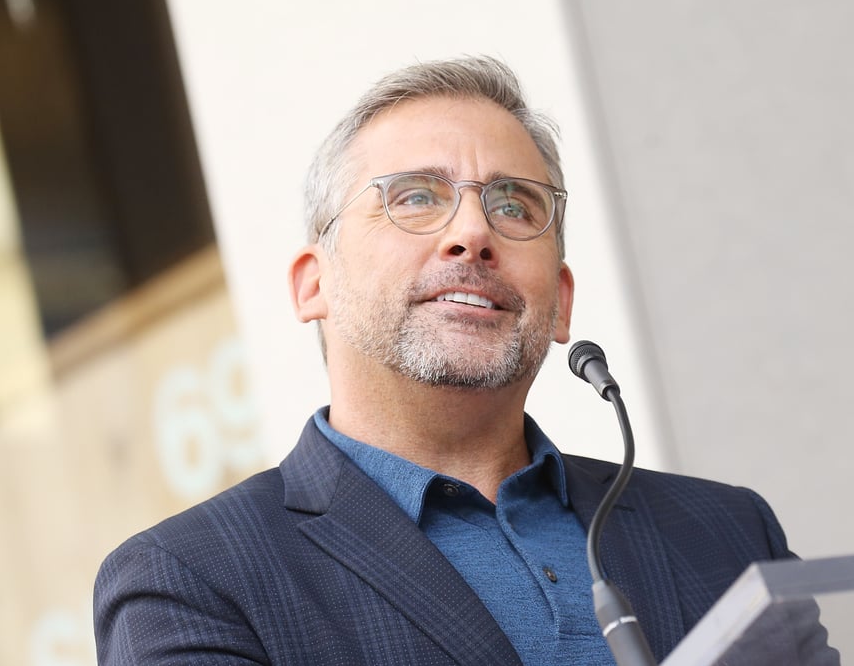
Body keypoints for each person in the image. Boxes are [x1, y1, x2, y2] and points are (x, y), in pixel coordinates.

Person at [94, 56, 802, 665]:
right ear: (315, 285)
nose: (472, 232)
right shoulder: (192, 580)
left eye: (516, 207)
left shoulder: (728, 532)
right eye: (415, 197)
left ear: (559, 303)